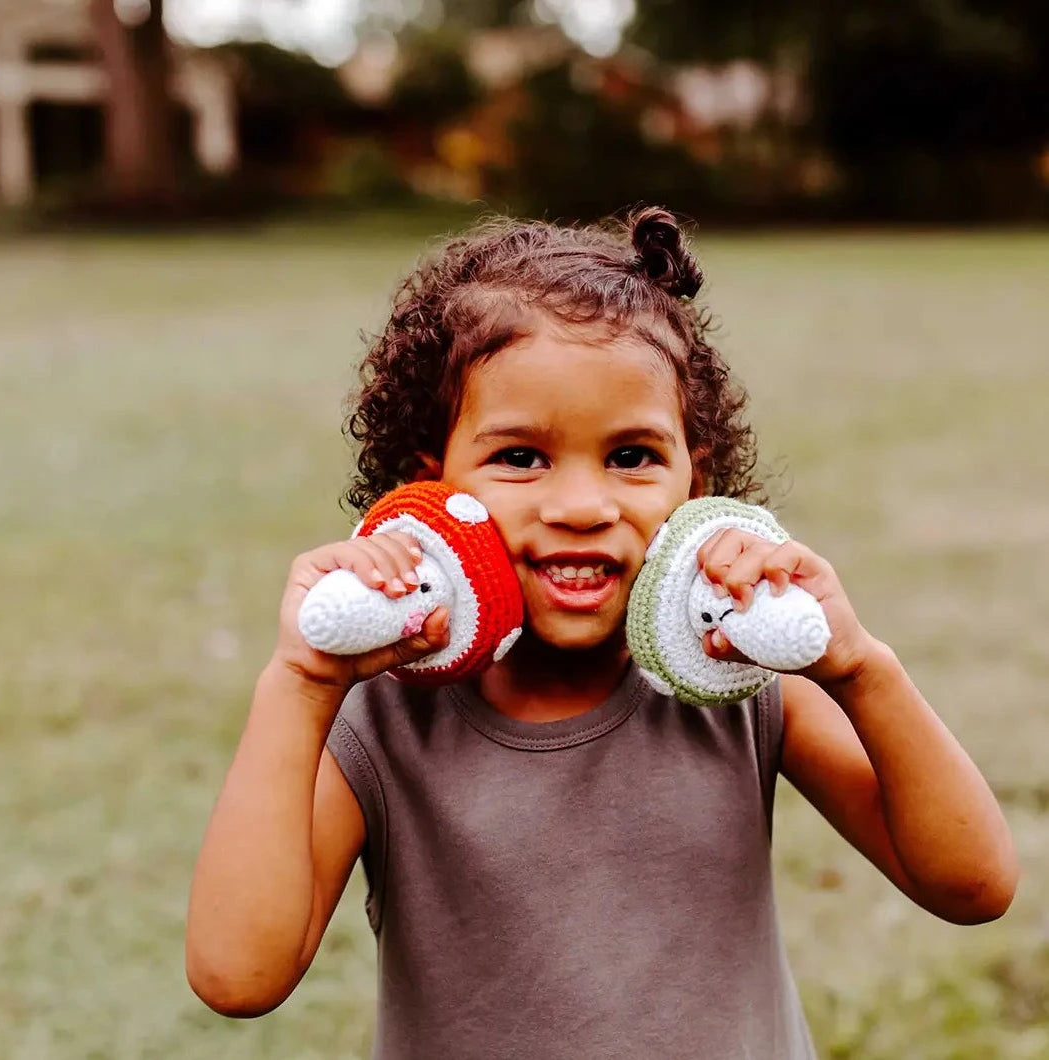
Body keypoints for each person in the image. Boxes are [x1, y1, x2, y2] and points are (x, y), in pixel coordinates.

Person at [186, 207, 1018, 1058]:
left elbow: (974, 885)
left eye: (631, 456)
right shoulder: (381, 719)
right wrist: (300, 686)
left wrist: (860, 669)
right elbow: (237, 977)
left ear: (696, 479)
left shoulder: (744, 683)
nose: (582, 507)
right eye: (520, 457)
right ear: (430, 492)